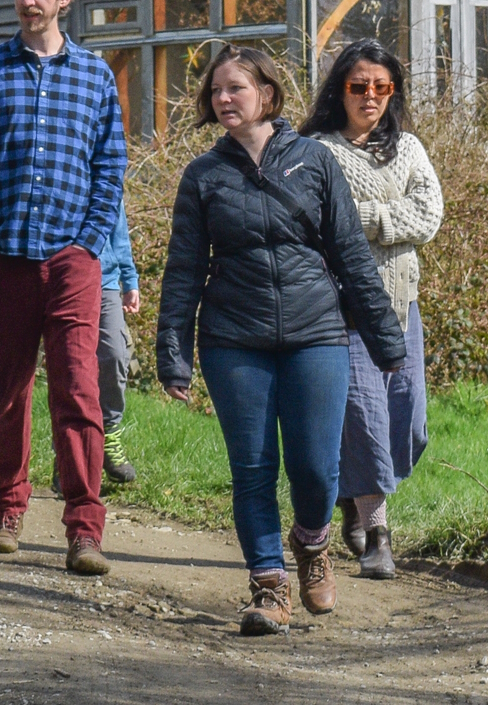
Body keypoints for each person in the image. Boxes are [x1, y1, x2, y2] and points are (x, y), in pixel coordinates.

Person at [156, 45, 405, 637]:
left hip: (315, 332)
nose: (223, 99)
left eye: (235, 88)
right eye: (216, 91)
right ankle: (268, 586)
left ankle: (313, 543)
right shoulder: (204, 176)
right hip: (232, 339)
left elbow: (351, 258)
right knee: (253, 467)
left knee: (317, 470)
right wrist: (173, 354)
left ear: (267, 95)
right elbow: (184, 269)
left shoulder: (316, 162)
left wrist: (387, 342)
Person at [0, 0, 126, 578]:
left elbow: (110, 166)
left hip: (72, 262)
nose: (29, 1)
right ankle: (7, 513)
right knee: (5, 391)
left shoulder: (96, 75)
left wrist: (90, 241)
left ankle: (84, 527)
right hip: (5, 263)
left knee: (78, 393)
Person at [298, 40, 443, 580]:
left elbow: (429, 216)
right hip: (343, 307)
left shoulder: (408, 148)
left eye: (383, 87)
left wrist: (367, 218)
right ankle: (377, 536)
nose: (371, 97)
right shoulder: (316, 150)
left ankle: (351, 497)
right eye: (360, 86)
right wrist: (388, 217)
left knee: (411, 425)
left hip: (402, 305)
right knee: (366, 421)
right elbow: (319, 218)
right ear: (340, 90)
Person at [97, 206, 141, 484]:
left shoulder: (104, 166)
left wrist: (130, 279)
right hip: (65, 275)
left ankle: (109, 433)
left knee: (115, 354)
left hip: (106, 281)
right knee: (70, 367)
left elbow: (119, 229)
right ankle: (67, 454)